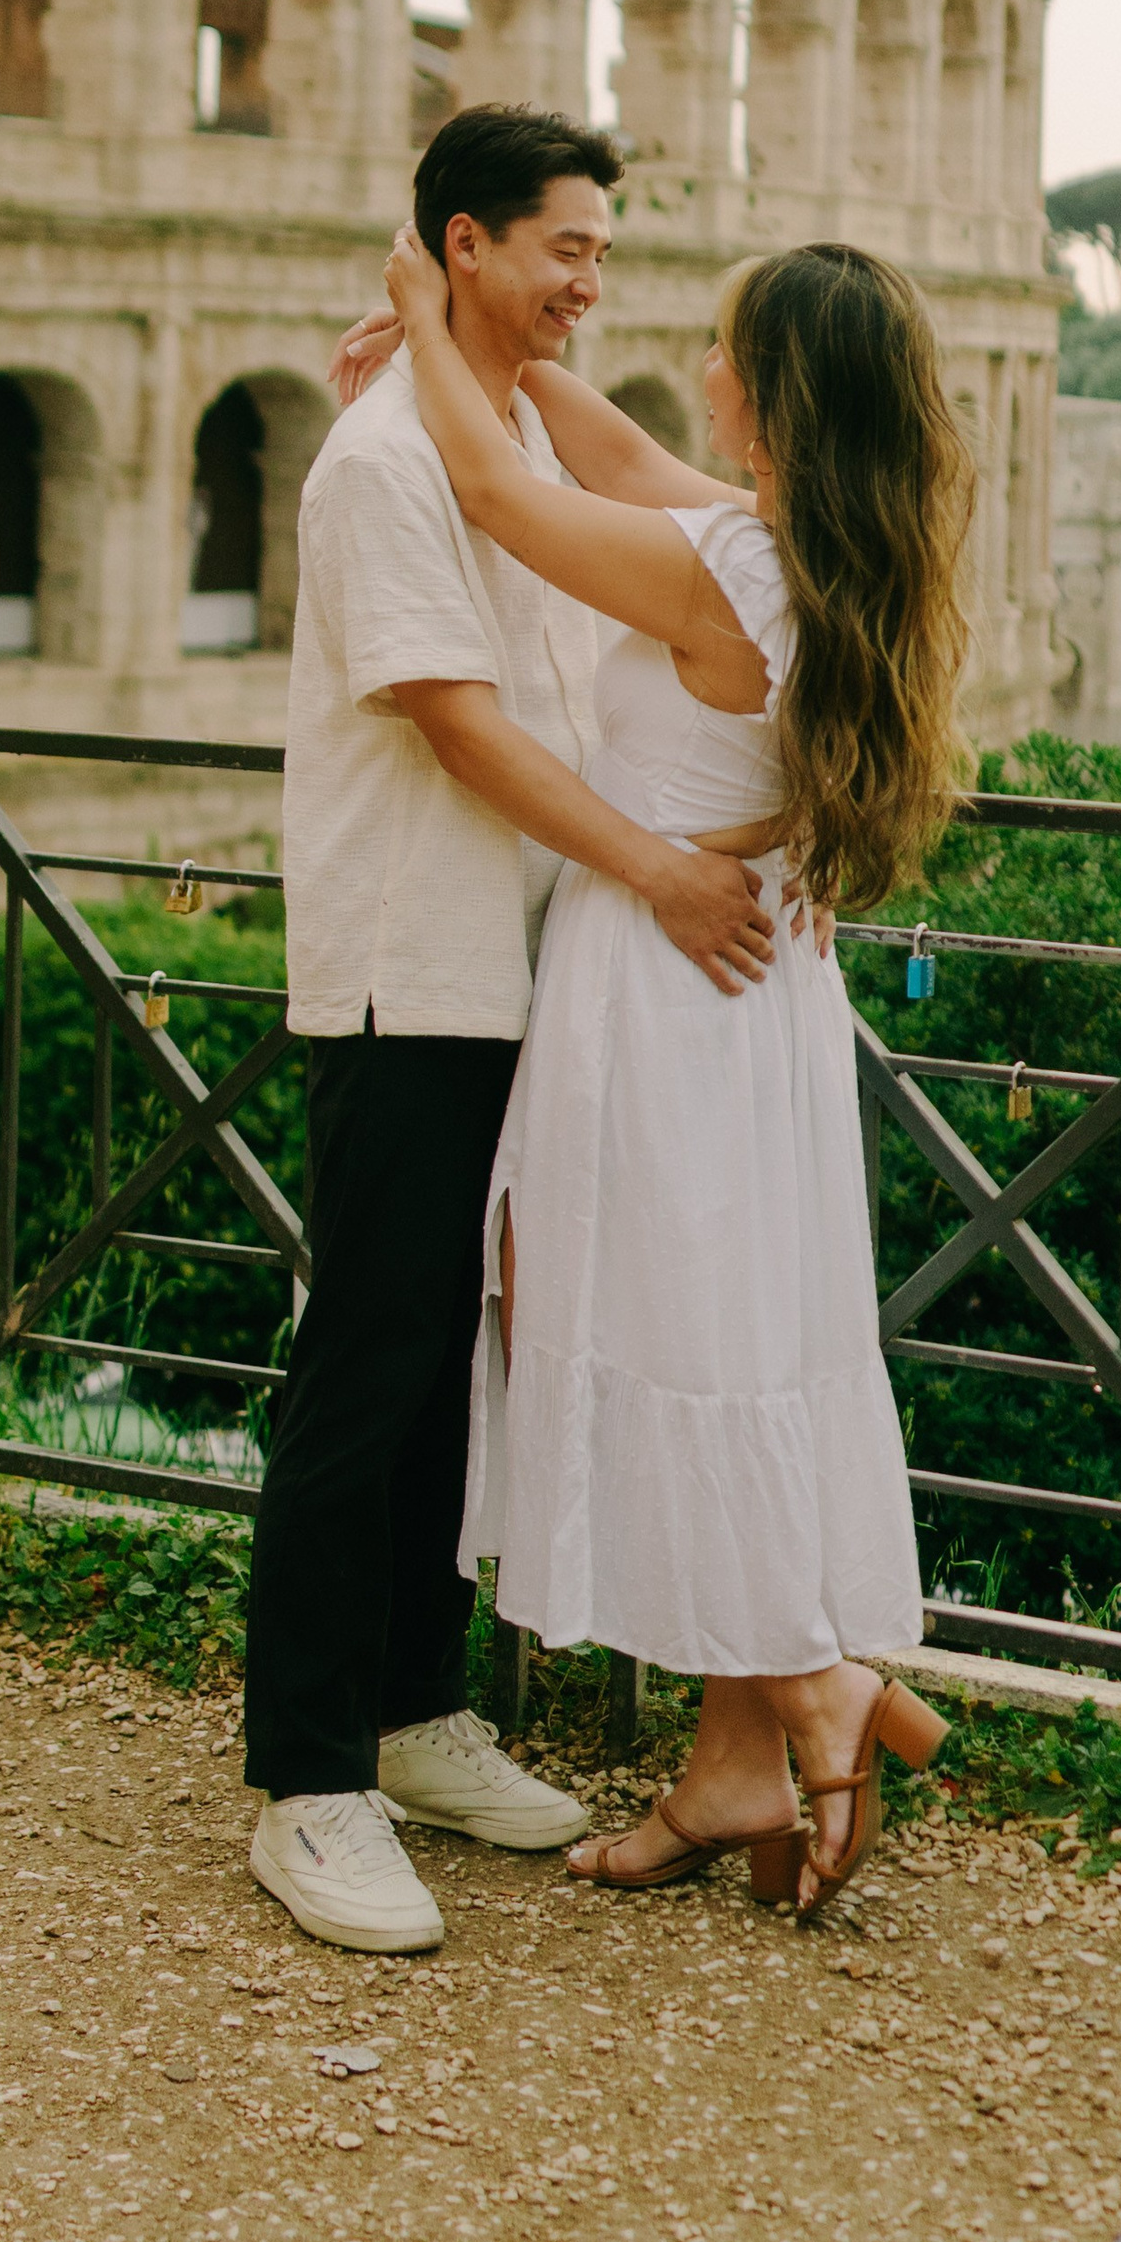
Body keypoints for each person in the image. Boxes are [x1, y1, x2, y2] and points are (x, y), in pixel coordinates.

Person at [379, 224, 970, 1918]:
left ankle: (811, 1683)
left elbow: (501, 499)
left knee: (652, 1336)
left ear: (776, 398)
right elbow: (617, 453)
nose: (697, 377)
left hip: (669, 979)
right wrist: (515, 346)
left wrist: (434, 310)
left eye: (724, 352)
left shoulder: (733, 575)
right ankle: (733, 1768)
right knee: (737, 1349)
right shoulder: (816, 554)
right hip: (757, 983)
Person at [243, 104, 777, 1956]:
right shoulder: (385, 462)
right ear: (465, 244)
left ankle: (411, 1712)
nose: (588, 284)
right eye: (562, 248)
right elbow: (459, 725)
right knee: (367, 1355)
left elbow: (643, 487)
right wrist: (660, 869)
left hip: (529, 967)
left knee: (451, 1359)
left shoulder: (512, 427)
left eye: (604, 255)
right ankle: (308, 1780)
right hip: (418, 958)